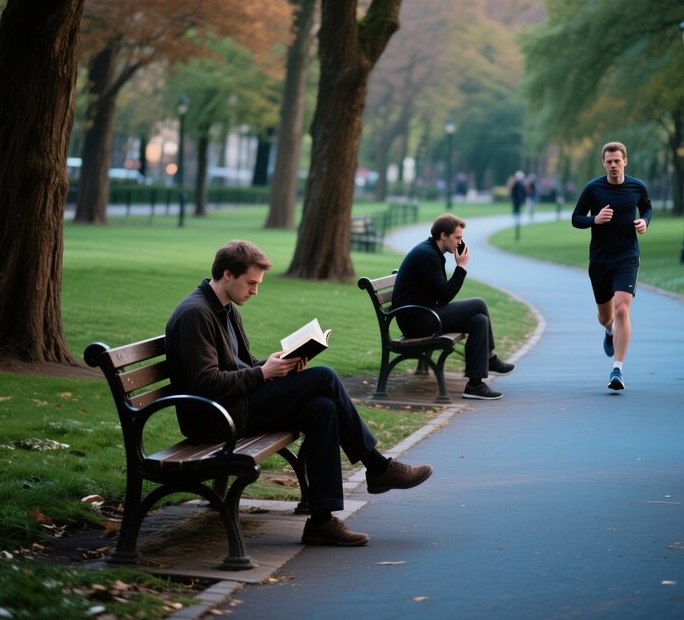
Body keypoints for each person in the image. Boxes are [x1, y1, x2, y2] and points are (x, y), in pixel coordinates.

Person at [164, 239, 433, 547]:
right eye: (251, 283)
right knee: (325, 377)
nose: (255, 290)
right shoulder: (195, 314)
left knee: (322, 408)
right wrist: (264, 373)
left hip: (235, 406)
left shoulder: (225, 309)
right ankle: (378, 467)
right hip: (214, 419)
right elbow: (205, 383)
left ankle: (321, 521)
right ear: (227, 274)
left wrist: (277, 363)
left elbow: (241, 366)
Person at [392, 213, 514, 401]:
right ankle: (490, 360)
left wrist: (457, 269)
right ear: (443, 235)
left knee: (479, 321)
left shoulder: (433, 252)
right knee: (479, 304)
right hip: (417, 320)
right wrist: (461, 268)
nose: (460, 242)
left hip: (426, 313)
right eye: (457, 237)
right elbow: (445, 295)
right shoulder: (427, 255)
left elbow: (441, 297)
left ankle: (475, 385)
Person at [571, 142, 652, 391]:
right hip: (600, 261)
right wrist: (595, 219)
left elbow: (647, 207)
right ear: (603, 163)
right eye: (609, 161)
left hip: (627, 258)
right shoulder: (593, 189)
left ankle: (617, 368)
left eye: (618, 160)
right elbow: (576, 218)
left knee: (622, 311)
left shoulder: (637, 187)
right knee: (606, 317)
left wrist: (644, 221)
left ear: (625, 161)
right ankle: (608, 331)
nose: (614, 165)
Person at [510, 171, 527, 239]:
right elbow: (513, 193)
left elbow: (524, 193)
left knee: (517, 213)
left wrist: (523, 200)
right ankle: (516, 220)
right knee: (515, 212)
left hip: (519, 201)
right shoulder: (516, 184)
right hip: (516, 201)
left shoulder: (521, 184)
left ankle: (517, 221)